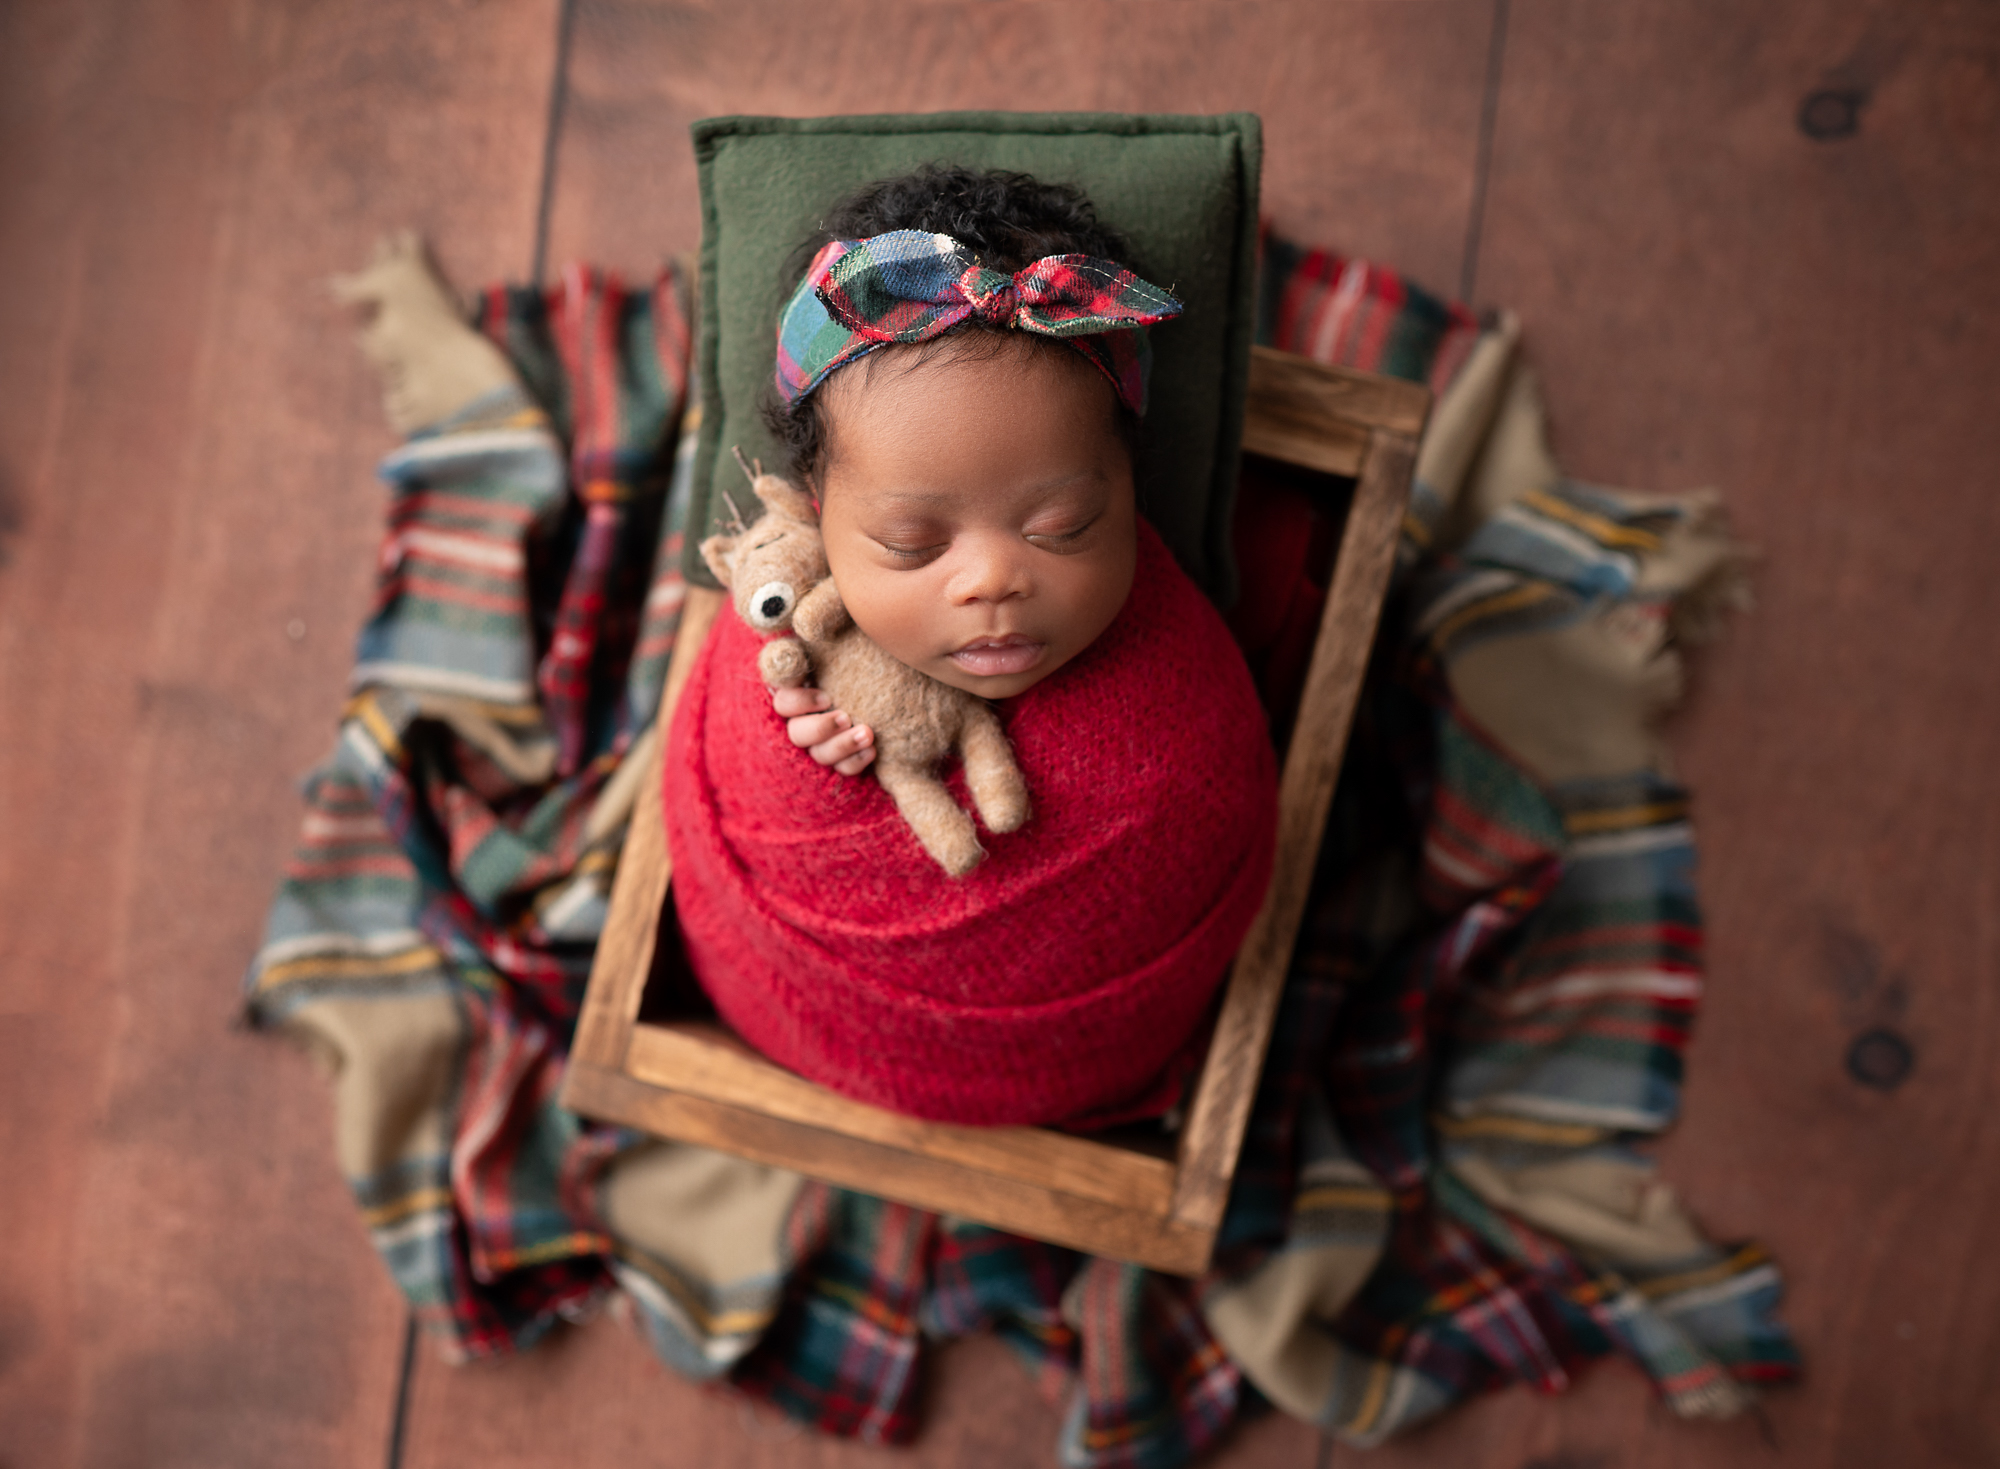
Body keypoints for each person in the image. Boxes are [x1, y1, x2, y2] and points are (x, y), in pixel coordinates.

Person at [663, 167, 1280, 1128]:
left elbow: (1206, 817)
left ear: (1130, 487)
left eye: (1066, 524)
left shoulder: (1182, 713)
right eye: (911, 545)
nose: (990, 581)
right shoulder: (788, 603)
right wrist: (804, 746)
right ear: (821, 518)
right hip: (795, 1005)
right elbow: (745, 754)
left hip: (1066, 1060)